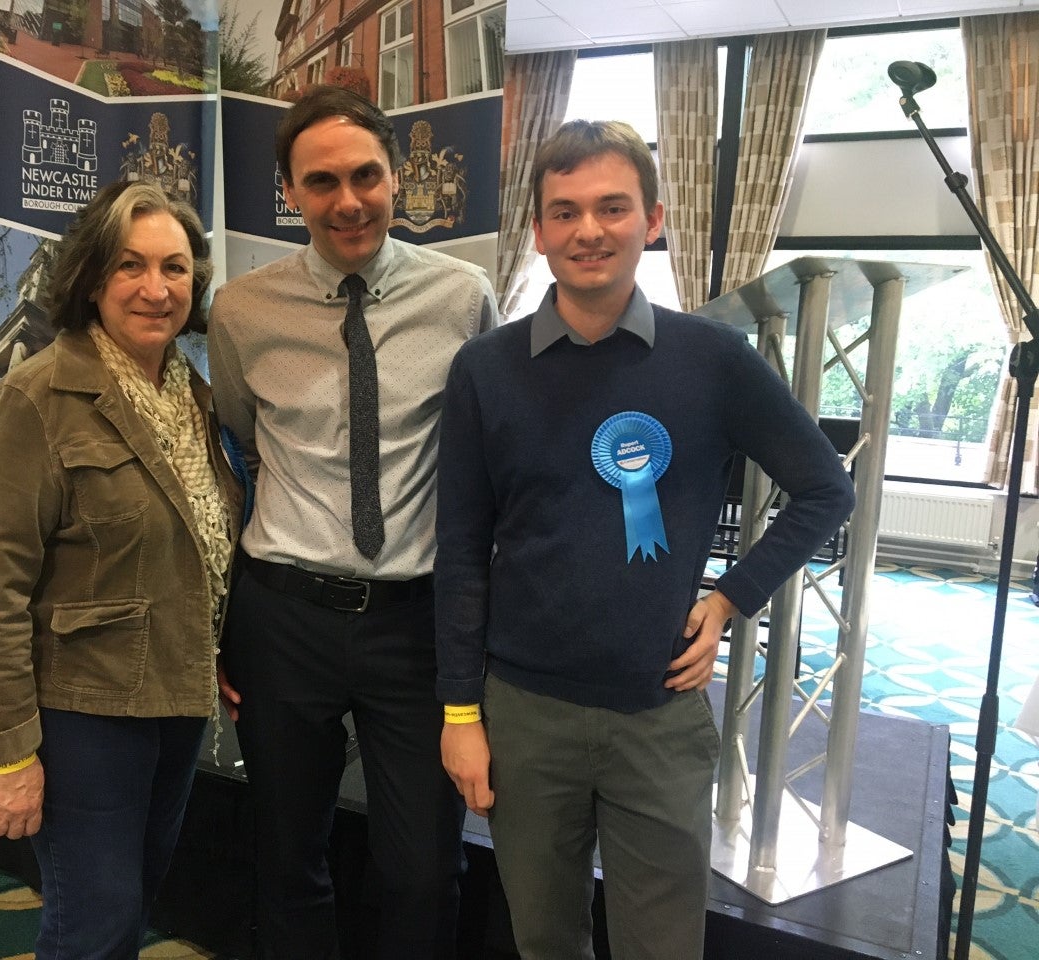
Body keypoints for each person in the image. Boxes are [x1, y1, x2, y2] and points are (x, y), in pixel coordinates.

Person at [435, 119, 856, 960]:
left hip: (659, 717)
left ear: (654, 220)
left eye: (612, 207)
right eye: (564, 212)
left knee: (661, 947)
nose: (588, 230)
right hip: (523, 718)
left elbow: (825, 489)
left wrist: (734, 596)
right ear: (538, 232)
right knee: (544, 939)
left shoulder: (713, 359)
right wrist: (459, 714)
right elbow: (459, 550)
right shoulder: (484, 369)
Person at [207, 85, 498, 960]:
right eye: (321, 181)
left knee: (421, 869)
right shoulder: (240, 311)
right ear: (289, 193)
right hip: (283, 616)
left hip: (414, 624)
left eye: (366, 175)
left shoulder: (463, 297)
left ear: (397, 178)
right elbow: (243, 439)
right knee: (289, 853)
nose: (348, 201)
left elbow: (483, 453)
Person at [0, 180, 242, 960]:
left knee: (132, 900)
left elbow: (198, 545)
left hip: (175, 701)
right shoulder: (36, 398)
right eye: (130, 265)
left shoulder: (193, 395)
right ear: (93, 278)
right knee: (93, 921)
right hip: (83, 714)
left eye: (175, 268)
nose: (155, 287)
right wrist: (6, 752)